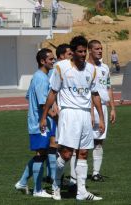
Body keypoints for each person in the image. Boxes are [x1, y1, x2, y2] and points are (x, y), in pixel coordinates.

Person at [40, 35, 105, 201]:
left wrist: (101, 118)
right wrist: (43, 116)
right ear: (73, 52)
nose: (83, 54)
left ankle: (81, 192)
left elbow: (95, 94)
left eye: (84, 51)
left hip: (84, 113)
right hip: (69, 113)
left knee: (83, 153)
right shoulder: (61, 67)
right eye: (80, 51)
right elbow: (52, 93)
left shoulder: (92, 69)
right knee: (67, 154)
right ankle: (56, 185)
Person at [15, 48, 54, 198]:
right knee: (40, 153)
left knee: (42, 153)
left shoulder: (41, 77)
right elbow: (43, 104)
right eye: (50, 59)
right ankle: (38, 190)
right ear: (42, 61)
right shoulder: (40, 78)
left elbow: (29, 96)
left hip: (41, 121)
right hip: (39, 123)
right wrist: (56, 117)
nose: (53, 61)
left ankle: (23, 182)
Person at [87, 40, 116, 182]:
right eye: (96, 49)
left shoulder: (105, 67)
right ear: (89, 50)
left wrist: (112, 108)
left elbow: (108, 88)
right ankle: (77, 175)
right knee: (84, 142)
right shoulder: (85, 68)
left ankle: (96, 173)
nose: (100, 51)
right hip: (88, 109)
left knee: (99, 141)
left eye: (101, 49)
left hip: (103, 108)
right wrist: (91, 111)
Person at [44, 43, 72, 184]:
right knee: (58, 145)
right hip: (59, 113)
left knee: (58, 145)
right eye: (69, 54)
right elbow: (52, 91)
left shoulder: (68, 68)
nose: (72, 57)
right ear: (61, 56)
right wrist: (54, 108)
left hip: (64, 113)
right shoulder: (56, 69)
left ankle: (55, 175)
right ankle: (55, 176)